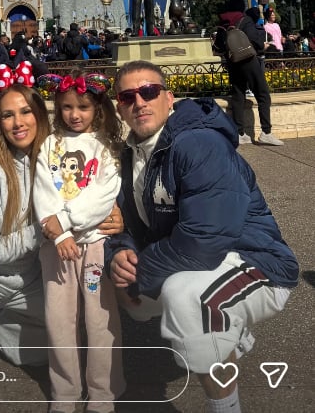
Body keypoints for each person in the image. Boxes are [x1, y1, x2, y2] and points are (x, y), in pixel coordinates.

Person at [105, 60, 298, 413]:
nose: (140, 102)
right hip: (195, 260)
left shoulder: (197, 143)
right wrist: (120, 254)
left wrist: (139, 277)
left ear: (169, 98)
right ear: (119, 105)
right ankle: (227, 331)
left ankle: (225, 406)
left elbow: (204, 240)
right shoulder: (129, 154)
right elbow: (117, 222)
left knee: (187, 298)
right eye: (128, 96)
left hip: (255, 261)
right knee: (111, 288)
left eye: (149, 91)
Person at [0, 83, 122, 413]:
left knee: (69, 330)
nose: (18, 122)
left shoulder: (54, 159)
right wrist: (47, 230)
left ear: (40, 116)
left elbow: (91, 196)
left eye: (26, 112)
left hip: (27, 281)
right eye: (7, 115)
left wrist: (113, 216)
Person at [34, 69, 126, 413]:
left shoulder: (105, 146)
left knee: (100, 321)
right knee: (59, 321)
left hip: (95, 246)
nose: (75, 115)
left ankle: (104, 391)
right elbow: (43, 189)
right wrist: (59, 233)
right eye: (68, 107)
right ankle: (65, 392)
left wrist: (67, 224)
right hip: (56, 248)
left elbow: (104, 196)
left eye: (83, 107)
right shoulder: (49, 144)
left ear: (96, 109)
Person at [215, 0, 283, 146]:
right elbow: (256, 40)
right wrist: (262, 46)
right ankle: (266, 132)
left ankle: (240, 133)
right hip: (248, 61)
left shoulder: (223, 24)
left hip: (233, 63)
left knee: (238, 95)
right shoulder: (244, 20)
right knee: (263, 93)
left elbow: (218, 45)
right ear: (241, 7)